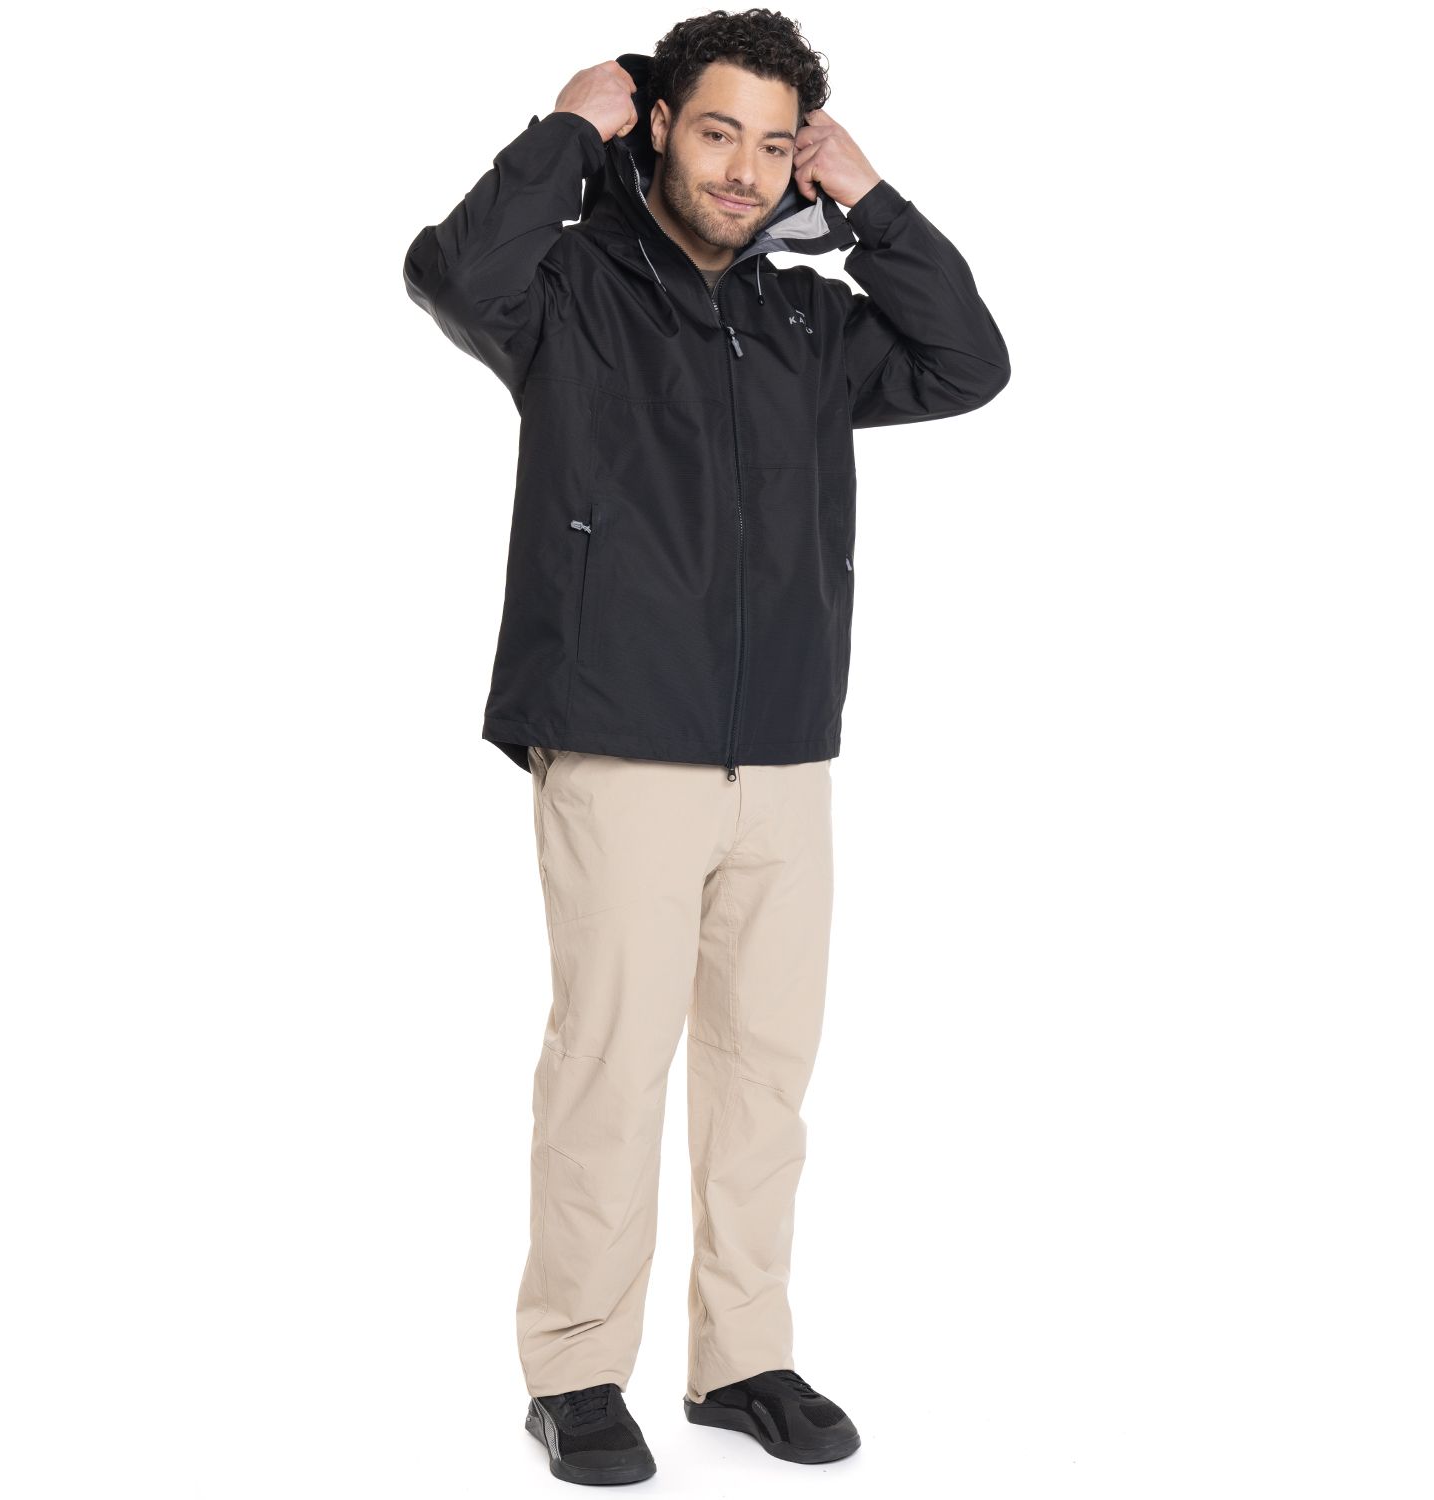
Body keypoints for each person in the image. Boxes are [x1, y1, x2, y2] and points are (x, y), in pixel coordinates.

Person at [403, 11, 1009, 1485]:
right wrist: (566, 126)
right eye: (719, 131)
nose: (745, 170)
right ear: (661, 125)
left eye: (776, 144)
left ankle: (742, 1360)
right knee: (610, 1071)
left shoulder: (810, 321)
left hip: (785, 751)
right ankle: (574, 1373)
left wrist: (871, 198)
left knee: (763, 1077)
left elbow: (971, 361)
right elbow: (450, 272)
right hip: (620, 740)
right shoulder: (569, 289)